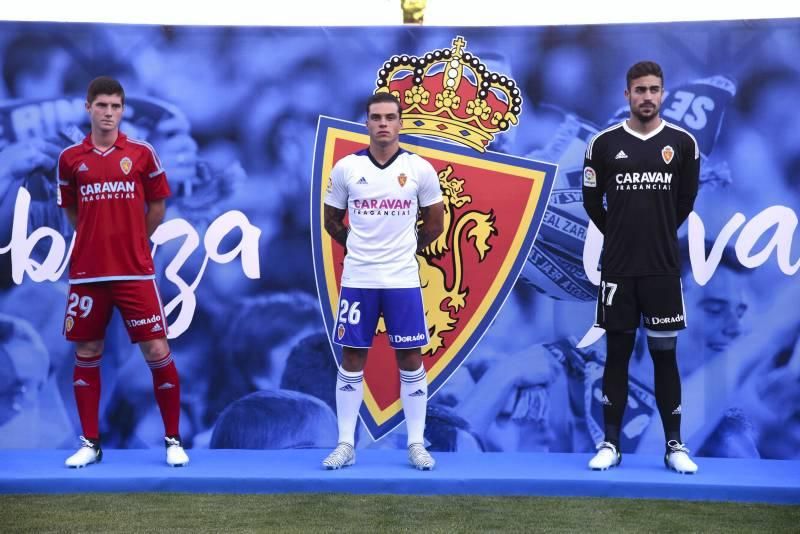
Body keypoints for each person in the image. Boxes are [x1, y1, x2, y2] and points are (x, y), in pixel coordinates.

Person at [56, 76, 188, 468]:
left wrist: (132, 240)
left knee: (157, 350)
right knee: (87, 351)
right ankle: (90, 443)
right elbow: (71, 210)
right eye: (102, 106)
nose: (109, 113)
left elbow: (158, 205)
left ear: (122, 110)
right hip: (88, 274)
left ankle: (172, 439)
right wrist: (97, 239)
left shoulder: (142, 153)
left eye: (115, 106)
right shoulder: (69, 159)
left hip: (134, 272)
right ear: (89, 108)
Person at [581, 61, 700, 474]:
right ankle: (610, 444)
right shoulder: (602, 144)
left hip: (663, 269)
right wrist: (621, 235)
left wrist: (656, 233)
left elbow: (684, 202)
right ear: (626, 95)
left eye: (653, 90)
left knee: (664, 355)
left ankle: (674, 446)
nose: (646, 97)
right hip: (617, 268)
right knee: (616, 354)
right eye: (639, 90)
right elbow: (593, 202)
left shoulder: (683, 144)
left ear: (662, 94)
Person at [321, 92, 444, 470]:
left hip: (402, 280)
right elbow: (331, 221)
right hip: (359, 278)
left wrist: (404, 250)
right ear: (367, 122)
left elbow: (436, 224)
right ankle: (345, 444)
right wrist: (359, 247)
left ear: (401, 122)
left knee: (410, 358)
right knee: (353, 357)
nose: (383, 124)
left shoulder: (420, 169)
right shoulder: (345, 168)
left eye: (390, 117)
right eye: (376, 117)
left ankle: (416, 443)